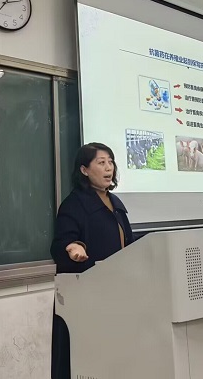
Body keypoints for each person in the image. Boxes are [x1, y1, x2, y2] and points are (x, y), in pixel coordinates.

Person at [50, 143, 134, 378]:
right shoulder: (74, 205)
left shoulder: (115, 204)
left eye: (111, 162)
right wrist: (73, 247)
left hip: (117, 292)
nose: (109, 168)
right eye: (101, 162)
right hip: (88, 296)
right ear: (84, 170)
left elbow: (127, 243)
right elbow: (61, 244)